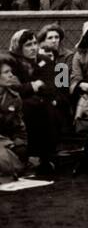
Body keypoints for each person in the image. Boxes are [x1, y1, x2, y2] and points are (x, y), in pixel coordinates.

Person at [8, 29, 60, 175]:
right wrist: (33, 86)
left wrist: (34, 87)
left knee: (50, 110)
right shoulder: (12, 62)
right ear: (18, 47)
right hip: (19, 102)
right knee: (30, 108)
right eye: (28, 45)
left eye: (35, 43)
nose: (33, 48)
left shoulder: (46, 60)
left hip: (44, 100)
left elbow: (52, 85)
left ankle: (47, 157)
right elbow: (13, 87)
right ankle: (32, 156)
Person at [0, 54, 28, 179]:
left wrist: (18, 142)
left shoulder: (14, 97)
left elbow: (19, 127)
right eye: (6, 72)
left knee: (21, 152)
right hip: (2, 141)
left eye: (11, 71)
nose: (11, 75)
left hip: (7, 141)